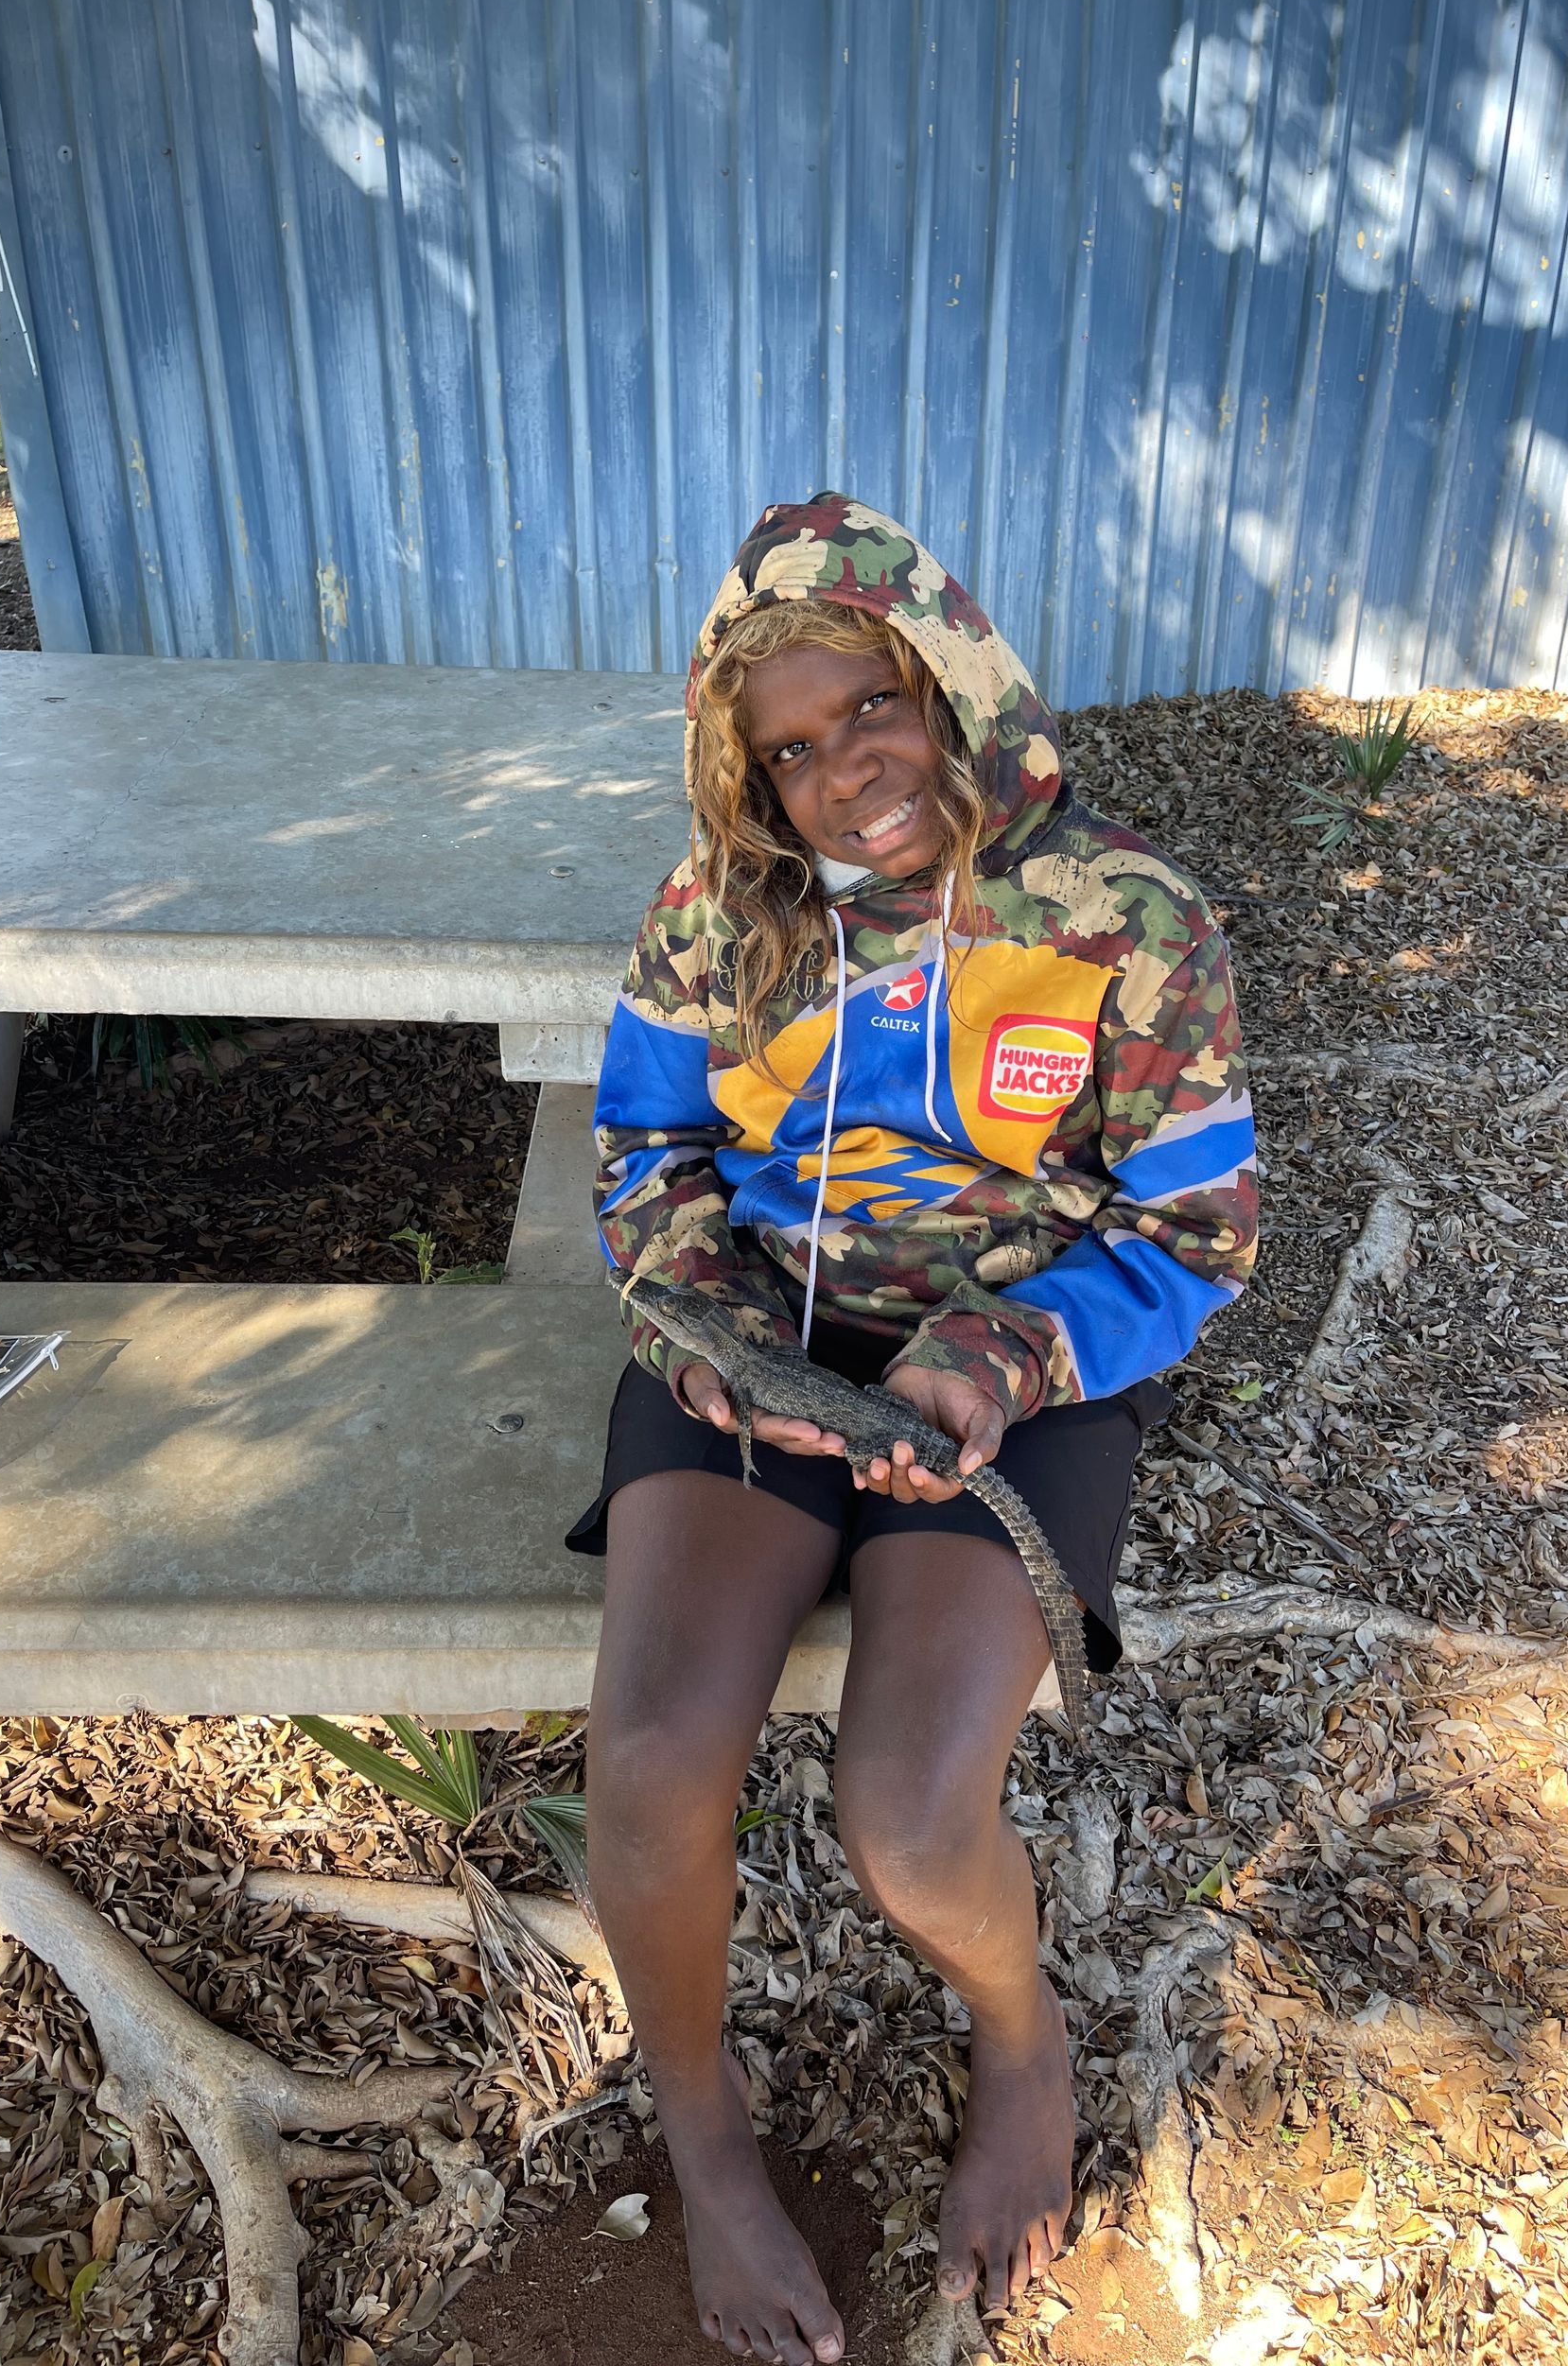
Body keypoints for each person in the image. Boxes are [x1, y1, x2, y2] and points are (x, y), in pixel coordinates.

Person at [567, 493, 1259, 2365]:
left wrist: (1007, 1353)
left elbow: (1191, 1231)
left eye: (864, 705)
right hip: (766, 1349)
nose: (837, 771)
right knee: (645, 1760)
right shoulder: (724, 918)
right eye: (786, 749)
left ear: (947, 680)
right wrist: (703, 1325)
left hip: (1015, 1371)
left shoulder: (1128, 921)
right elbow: (644, 1150)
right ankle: (704, 2131)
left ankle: (1019, 2036)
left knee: (909, 1808)